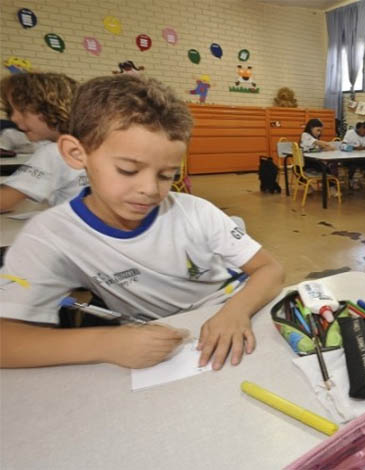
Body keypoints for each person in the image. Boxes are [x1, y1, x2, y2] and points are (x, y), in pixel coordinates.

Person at [0, 75, 285, 371]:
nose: (150, 189)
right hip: (170, 339)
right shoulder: (50, 235)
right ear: (75, 153)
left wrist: (235, 312)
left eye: (166, 175)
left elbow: (270, 269)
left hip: (235, 310)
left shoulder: (196, 211)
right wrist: (108, 343)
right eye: (128, 170)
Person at [0, 72, 87, 212]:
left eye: (21, 110)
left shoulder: (55, 152)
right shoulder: (90, 144)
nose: (14, 118)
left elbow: (3, 202)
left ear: (51, 108)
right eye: (11, 111)